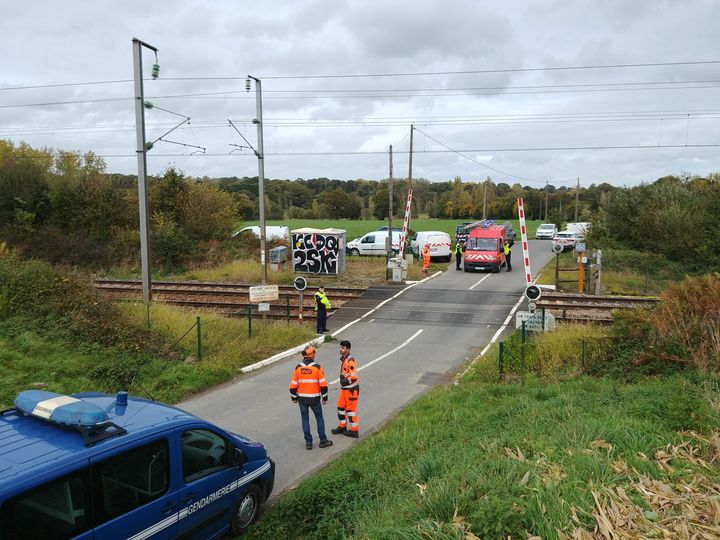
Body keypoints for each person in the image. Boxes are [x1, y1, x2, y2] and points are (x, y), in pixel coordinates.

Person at [289, 345, 333, 450]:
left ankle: (309, 443)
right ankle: (323, 441)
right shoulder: (317, 367)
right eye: (314, 353)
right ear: (311, 355)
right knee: (319, 418)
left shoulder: (298, 368)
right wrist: (325, 398)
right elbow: (323, 385)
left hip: (302, 399)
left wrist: (294, 398)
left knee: (305, 420)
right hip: (314, 399)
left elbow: (293, 386)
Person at [331, 340, 360, 438]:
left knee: (351, 410)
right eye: (340, 347)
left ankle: (354, 431)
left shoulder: (350, 360)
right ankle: (342, 426)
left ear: (348, 349)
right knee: (340, 407)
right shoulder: (345, 359)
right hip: (344, 389)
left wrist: (346, 381)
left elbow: (354, 376)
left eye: (343, 348)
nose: (341, 349)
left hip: (351, 390)